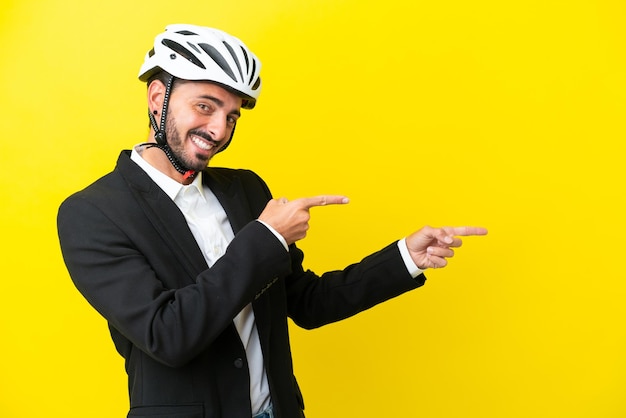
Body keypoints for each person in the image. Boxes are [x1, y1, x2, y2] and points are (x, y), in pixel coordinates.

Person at [57, 24, 487, 418]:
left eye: (231, 116)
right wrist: (266, 238)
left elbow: (307, 302)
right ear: (157, 98)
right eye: (204, 106)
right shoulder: (93, 213)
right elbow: (168, 335)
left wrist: (404, 258)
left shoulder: (244, 190)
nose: (219, 130)